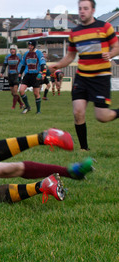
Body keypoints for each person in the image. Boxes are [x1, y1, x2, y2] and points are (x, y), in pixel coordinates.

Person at [50, 0, 119, 151]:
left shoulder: (104, 27)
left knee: (102, 117)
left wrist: (111, 53)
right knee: (78, 112)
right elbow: (70, 56)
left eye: (85, 8)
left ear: (93, 10)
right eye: (80, 8)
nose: (82, 11)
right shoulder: (74, 32)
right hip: (82, 77)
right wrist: (57, 65)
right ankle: (83, 149)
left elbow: (116, 46)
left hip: (101, 77)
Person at [18, 40, 47, 114]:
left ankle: (38, 111)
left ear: (34, 46)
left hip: (36, 75)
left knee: (36, 93)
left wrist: (41, 73)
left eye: (30, 45)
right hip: (27, 75)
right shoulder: (26, 54)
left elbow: (43, 65)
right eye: (29, 45)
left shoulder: (39, 53)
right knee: (21, 90)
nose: (29, 47)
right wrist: (20, 73)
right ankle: (27, 106)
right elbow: (24, 65)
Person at [0, 45, 24, 109]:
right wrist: (2, 72)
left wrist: (21, 73)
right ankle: (21, 104)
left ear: (16, 50)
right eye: (11, 49)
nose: (12, 50)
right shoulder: (8, 57)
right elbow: (4, 65)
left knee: (15, 91)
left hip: (17, 74)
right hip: (10, 75)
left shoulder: (19, 56)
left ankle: (13, 106)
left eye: (13, 49)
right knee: (12, 93)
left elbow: (23, 65)